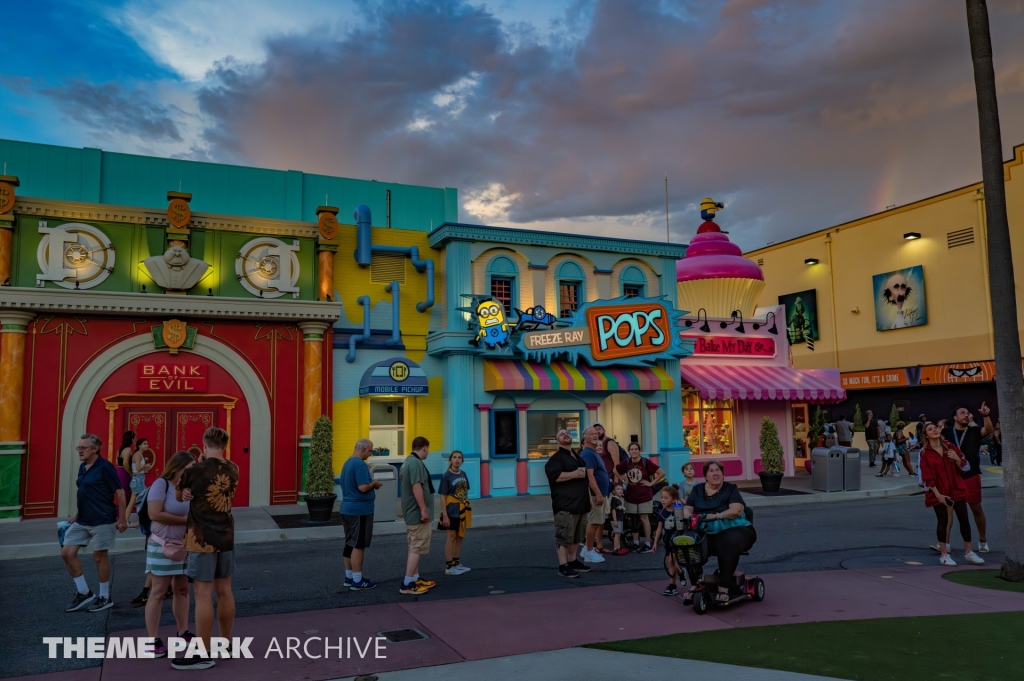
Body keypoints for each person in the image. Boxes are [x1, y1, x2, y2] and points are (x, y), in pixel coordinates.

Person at [174, 426, 238, 670]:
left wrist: (189, 483)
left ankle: (202, 652)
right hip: (226, 535)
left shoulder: (194, 469)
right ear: (224, 446)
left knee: (202, 595)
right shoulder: (234, 468)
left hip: (201, 538)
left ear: (204, 444)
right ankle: (226, 643)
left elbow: (180, 494)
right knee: (225, 591)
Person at [61, 434, 128, 612]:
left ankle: (105, 597)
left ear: (95, 449)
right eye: (78, 448)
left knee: (99, 556)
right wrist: (77, 514)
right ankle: (84, 593)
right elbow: (84, 491)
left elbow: (120, 493)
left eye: (83, 448)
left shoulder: (105, 467)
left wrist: (122, 518)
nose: (80, 451)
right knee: (67, 553)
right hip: (83, 519)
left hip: (102, 519)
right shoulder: (83, 467)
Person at [144, 450, 197, 658]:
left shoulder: (190, 488)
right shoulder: (161, 484)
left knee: (183, 589)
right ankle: (152, 640)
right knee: (158, 592)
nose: (191, 472)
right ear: (177, 467)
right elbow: (154, 514)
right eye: (188, 468)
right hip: (162, 545)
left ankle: (183, 631)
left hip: (185, 545)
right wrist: (188, 521)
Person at [683, 461, 756, 603]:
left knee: (728, 542)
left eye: (718, 470)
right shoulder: (697, 490)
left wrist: (716, 515)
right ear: (705, 476)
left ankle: (724, 587)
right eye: (711, 471)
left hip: (734, 527)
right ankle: (695, 585)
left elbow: (737, 510)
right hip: (705, 528)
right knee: (688, 543)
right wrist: (687, 515)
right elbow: (688, 507)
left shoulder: (730, 488)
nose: (715, 473)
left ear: (722, 474)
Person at [919, 422, 985, 566]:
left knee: (964, 520)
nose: (934, 430)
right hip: (939, 492)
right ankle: (944, 554)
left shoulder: (950, 446)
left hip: (956, 489)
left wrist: (956, 459)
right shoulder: (925, 452)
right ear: (925, 435)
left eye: (935, 427)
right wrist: (938, 495)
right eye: (930, 429)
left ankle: (969, 552)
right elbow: (927, 476)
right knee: (943, 521)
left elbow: (965, 467)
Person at [942, 403, 993, 553]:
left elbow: (988, 430)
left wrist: (985, 415)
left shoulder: (974, 431)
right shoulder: (946, 432)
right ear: (955, 417)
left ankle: (983, 541)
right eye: (962, 413)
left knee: (976, 508)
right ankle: (945, 543)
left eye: (967, 413)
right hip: (952, 476)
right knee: (948, 509)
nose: (966, 415)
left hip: (971, 475)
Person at [543, 428, 591, 578]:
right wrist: (573, 474)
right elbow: (554, 476)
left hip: (581, 503)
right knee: (564, 538)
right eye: (561, 434)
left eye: (567, 433)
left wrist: (589, 499)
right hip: (565, 505)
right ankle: (563, 566)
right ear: (558, 441)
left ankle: (573, 561)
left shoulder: (576, 456)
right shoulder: (556, 459)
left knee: (577, 537)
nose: (566, 435)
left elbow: (585, 480)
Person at [339, 438, 381, 590]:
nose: (370, 454)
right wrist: (374, 484)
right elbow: (363, 487)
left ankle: (349, 577)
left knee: (350, 542)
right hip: (360, 510)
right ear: (363, 449)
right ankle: (357, 581)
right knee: (359, 544)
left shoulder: (347, 463)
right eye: (370, 450)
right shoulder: (359, 464)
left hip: (347, 508)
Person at [399, 436, 438, 595]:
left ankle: (415, 577)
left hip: (412, 512)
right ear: (424, 448)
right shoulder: (415, 463)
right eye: (427, 449)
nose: (427, 452)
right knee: (416, 546)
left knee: (414, 545)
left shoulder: (408, 461)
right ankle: (408, 583)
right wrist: (423, 509)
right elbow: (416, 487)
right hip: (416, 513)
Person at [614, 441, 664, 554]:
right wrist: (623, 480)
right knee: (633, 519)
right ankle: (635, 543)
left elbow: (661, 472)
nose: (634, 451)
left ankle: (647, 543)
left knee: (644, 518)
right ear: (629, 451)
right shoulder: (626, 462)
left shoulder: (646, 462)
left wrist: (651, 484)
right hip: (630, 495)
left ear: (639, 450)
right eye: (632, 449)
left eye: (636, 449)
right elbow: (615, 470)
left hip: (644, 495)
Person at [439, 450, 472, 575]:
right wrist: (445, 515)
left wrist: (467, 507)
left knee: (460, 537)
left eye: (459, 458)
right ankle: (449, 566)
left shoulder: (463, 474)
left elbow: (465, 492)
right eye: (454, 457)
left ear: (462, 460)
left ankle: (457, 563)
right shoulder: (446, 475)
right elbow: (442, 496)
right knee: (451, 537)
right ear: (450, 460)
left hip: (462, 509)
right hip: (451, 510)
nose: (457, 459)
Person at [579, 426, 609, 564]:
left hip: (600, 493)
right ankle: (590, 552)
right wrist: (597, 494)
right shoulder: (588, 454)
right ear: (585, 438)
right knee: (594, 522)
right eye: (591, 434)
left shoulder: (593, 452)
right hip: (595, 494)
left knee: (597, 522)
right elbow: (589, 476)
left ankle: (586, 548)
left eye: (596, 433)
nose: (595, 435)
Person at [652, 485, 684, 596]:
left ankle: (672, 586)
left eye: (666, 498)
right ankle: (681, 572)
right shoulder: (662, 513)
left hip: (677, 541)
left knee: (671, 562)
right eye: (662, 497)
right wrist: (655, 542)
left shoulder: (679, 510)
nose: (663, 500)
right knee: (670, 563)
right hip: (667, 541)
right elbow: (659, 528)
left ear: (674, 499)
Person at [608, 483, 627, 556]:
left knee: (619, 534)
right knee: (617, 534)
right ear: (613, 491)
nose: (620, 491)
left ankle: (618, 547)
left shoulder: (620, 499)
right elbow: (613, 510)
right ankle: (616, 549)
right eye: (618, 489)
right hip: (616, 519)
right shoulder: (614, 499)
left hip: (620, 519)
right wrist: (615, 520)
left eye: (621, 489)